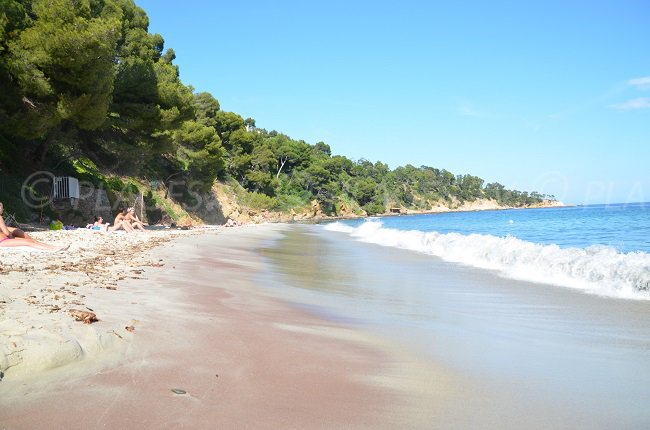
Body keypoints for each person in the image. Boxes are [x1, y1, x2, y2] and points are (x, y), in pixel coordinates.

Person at [0, 202, 69, 251]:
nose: (2, 210)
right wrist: (11, 236)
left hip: (3, 240)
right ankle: (52, 248)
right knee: (28, 242)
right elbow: (7, 233)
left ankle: (53, 247)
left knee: (29, 241)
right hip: (3, 241)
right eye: (1, 208)